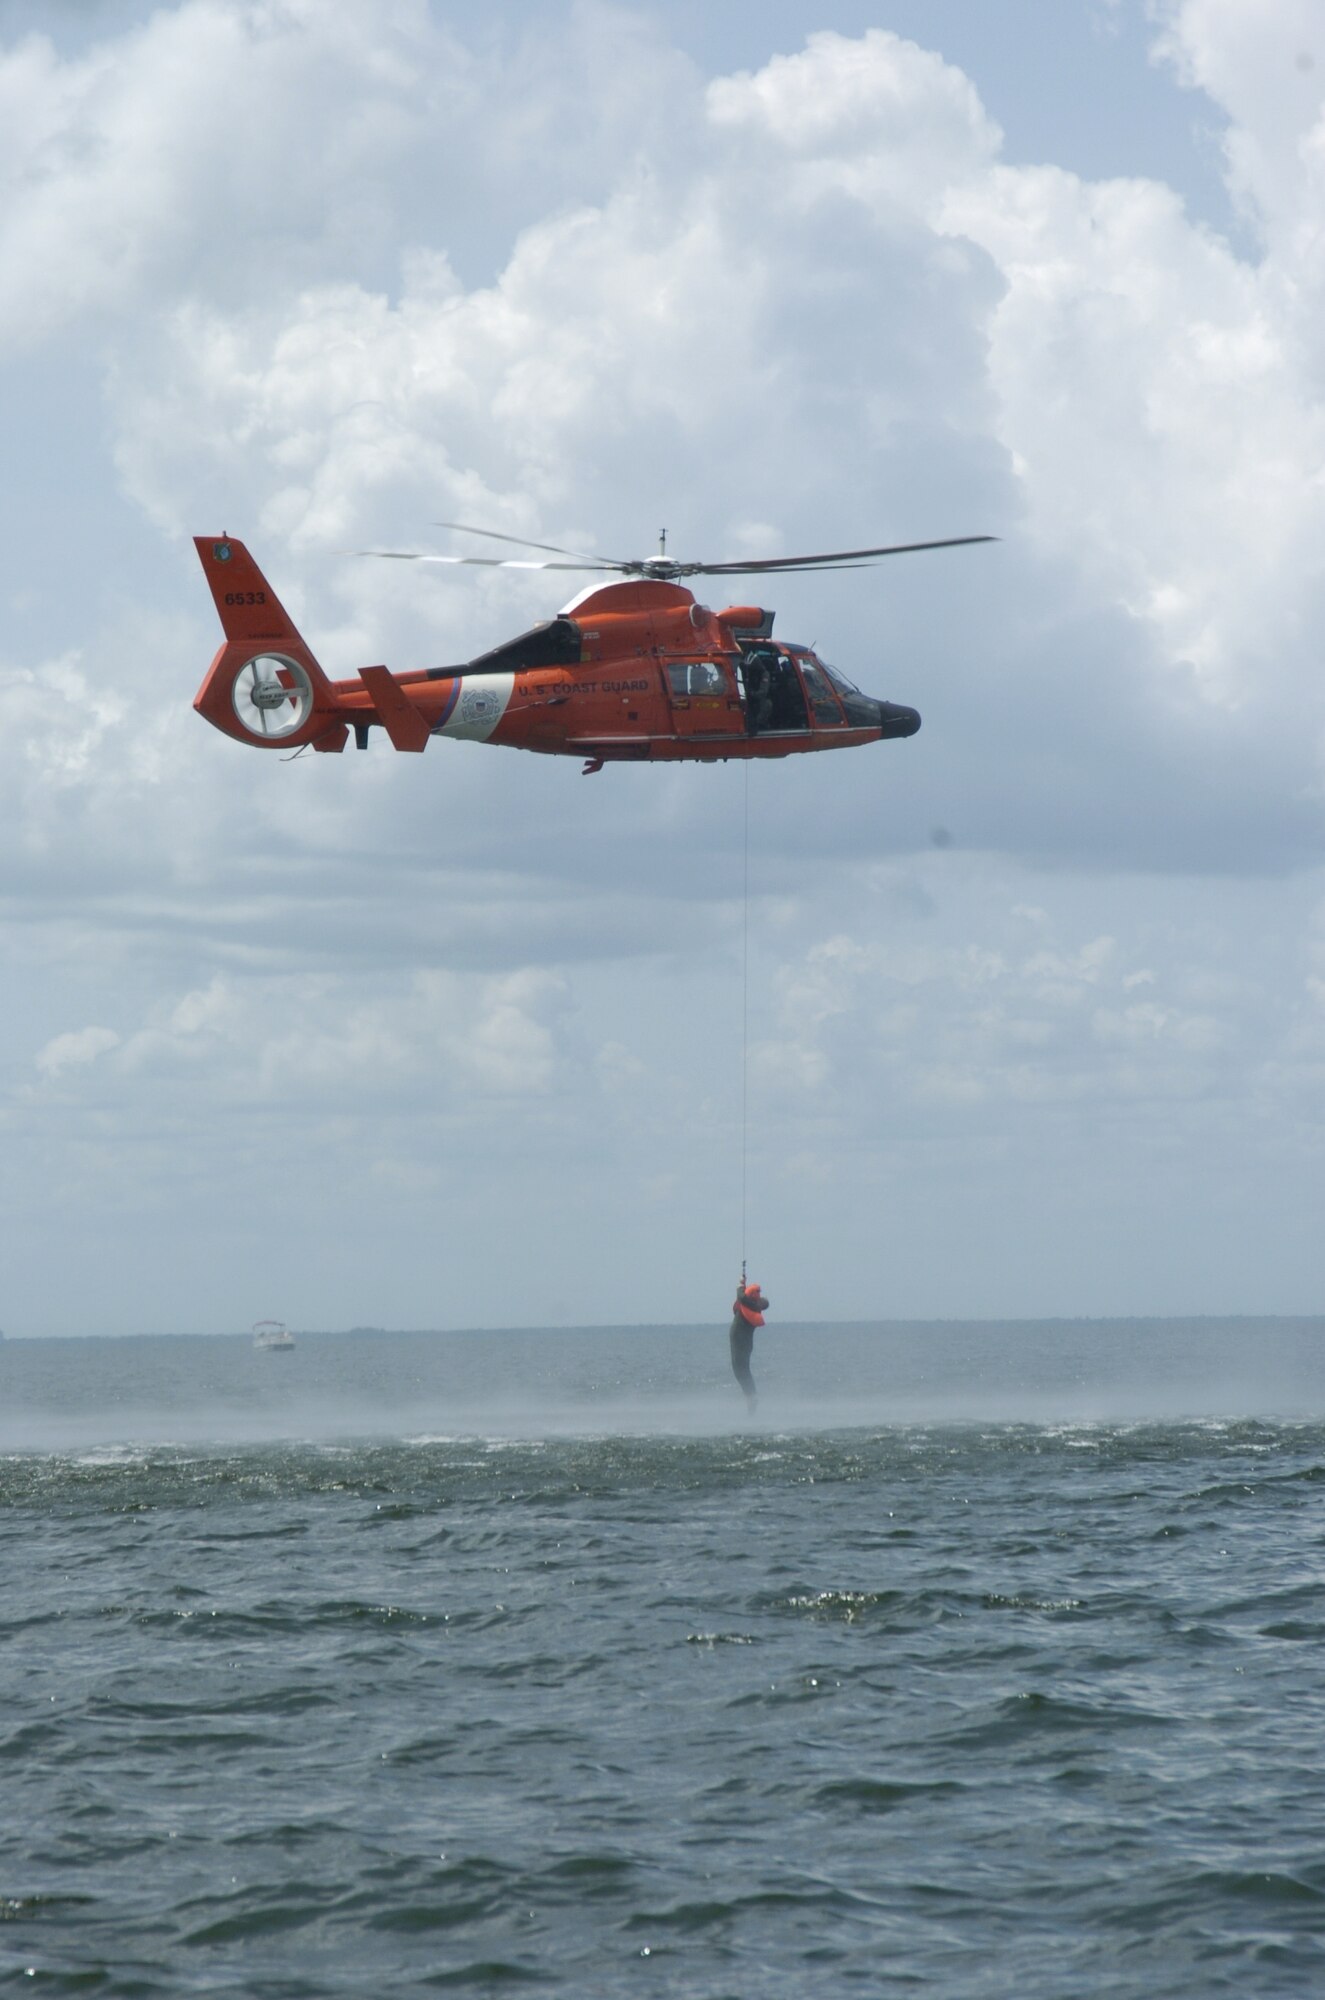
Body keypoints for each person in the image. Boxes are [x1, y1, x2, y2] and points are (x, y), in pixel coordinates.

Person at [729, 1278, 769, 1409]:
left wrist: (740, 1285)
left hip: (741, 1342)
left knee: (740, 1370)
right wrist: (744, 1286)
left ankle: (751, 1396)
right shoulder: (750, 1306)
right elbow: (740, 1302)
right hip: (744, 1343)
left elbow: (741, 1296)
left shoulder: (750, 1305)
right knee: (742, 1369)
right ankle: (750, 1395)